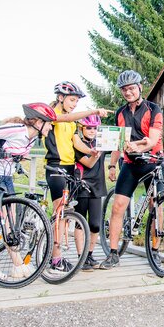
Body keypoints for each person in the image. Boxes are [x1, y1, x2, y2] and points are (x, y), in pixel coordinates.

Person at [0, 102, 57, 279]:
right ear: (38, 122)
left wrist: (19, 157)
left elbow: (13, 153)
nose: (51, 128)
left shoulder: (31, 138)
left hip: (6, 177)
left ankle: (16, 265)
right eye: (50, 124)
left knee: (11, 222)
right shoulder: (16, 129)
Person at [43, 81, 111, 273]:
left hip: (69, 168)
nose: (74, 104)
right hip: (55, 167)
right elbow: (66, 117)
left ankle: (57, 256)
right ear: (60, 98)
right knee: (59, 214)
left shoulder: (71, 122)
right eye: (72, 100)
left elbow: (76, 143)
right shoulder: (52, 116)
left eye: (76, 102)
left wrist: (92, 151)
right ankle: (55, 259)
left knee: (64, 216)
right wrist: (92, 112)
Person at [100, 70, 163, 269]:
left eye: (132, 88)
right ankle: (113, 253)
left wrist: (138, 146)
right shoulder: (120, 112)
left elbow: (152, 140)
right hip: (130, 164)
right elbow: (118, 142)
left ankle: (155, 251)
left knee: (156, 206)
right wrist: (111, 164)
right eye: (125, 90)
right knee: (118, 206)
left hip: (152, 162)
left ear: (139, 88)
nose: (128, 92)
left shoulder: (154, 109)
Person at [74, 114, 106, 271]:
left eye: (95, 128)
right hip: (82, 185)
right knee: (81, 223)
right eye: (89, 127)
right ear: (81, 128)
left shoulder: (100, 142)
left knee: (95, 224)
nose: (92, 130)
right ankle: (81, 257)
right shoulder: (78, 144)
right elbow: (87, 162)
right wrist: (95, 154)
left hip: (98, 185)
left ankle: (90, 254)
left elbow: (118, 148)